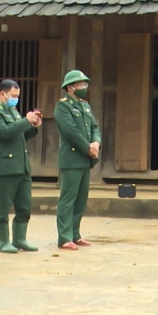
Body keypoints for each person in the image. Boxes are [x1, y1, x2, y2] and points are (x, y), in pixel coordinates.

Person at [0, 79, 42, 253]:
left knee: (24, 205)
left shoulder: (13, 111)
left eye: (17, 96)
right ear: (2, 94)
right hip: (6, 166)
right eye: (13, 96)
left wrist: (32, 126)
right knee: (3, 206)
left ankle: (20, 239)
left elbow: (20, 136)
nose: (15, 99)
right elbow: (5, 133)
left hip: (22, 166)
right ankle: (4, 241)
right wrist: (25, 121)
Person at [55, 70, 101, 250]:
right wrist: (87, 147)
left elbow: (94, 126)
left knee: (81, 198)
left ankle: (75, 233)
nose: (84, 87)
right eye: (81, 84)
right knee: (68, 198)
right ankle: (64, 237)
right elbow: (70, 131)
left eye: (85, 84)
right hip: (72, 158)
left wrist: (96, 142)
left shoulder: (85, 105)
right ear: (70, 87)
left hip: (85, 159)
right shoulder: (63, 106)